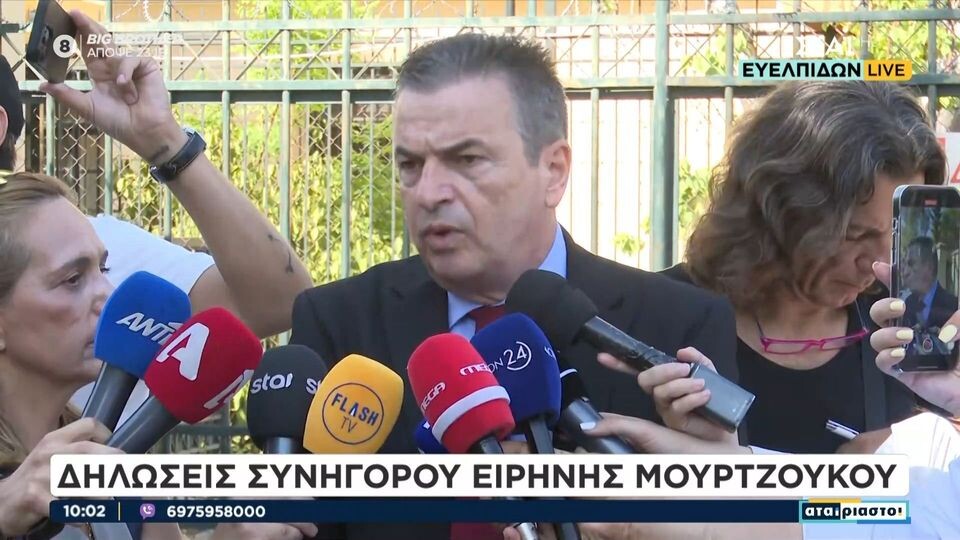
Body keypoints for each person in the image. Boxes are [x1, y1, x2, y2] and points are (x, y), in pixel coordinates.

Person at [290, 33, 738, 540]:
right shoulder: (338, 323)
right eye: (410, 165)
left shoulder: (676, 327)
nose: (428, 193)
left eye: (467, 160)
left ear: (554, 171)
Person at [0, 18, 312, 422]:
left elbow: (282, 301)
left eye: (96, 272)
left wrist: (162, 140)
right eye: (73, 279)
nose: (106, 293)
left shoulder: (84, 243)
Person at [662, 81, 947, 453]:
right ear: (778, 210)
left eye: (897, 234)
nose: (881, 261)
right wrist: (839, 481)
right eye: (854, 233)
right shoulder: (661, 317)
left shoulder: (908, 334)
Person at [900, 236, 957, 334]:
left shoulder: (954, 306)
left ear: (930, 267)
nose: (905, 273)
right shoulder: (907, 304)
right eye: (905, 264)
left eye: (911, 263)